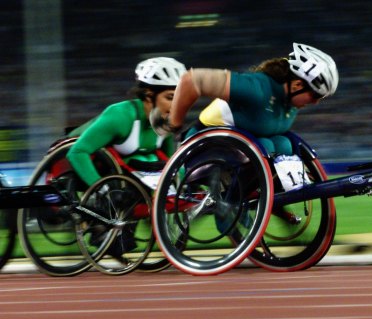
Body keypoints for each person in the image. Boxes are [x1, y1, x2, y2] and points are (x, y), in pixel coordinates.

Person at [150, 42, 338, 223]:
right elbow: (191, 80)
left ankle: (263, 202)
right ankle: (229, 204)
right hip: (203, 150)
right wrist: (173, 124)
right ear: (297, 85)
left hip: (242, 154)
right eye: (316, 95)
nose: (316, 102)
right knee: (266, 147)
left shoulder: (290, 104)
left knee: (283, 144)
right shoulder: (256, 88)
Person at [67, 57, 186, 187]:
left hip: (130, 174)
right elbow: (77, 152)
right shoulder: (120, 116)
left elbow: (170, 162)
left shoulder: (165, 121)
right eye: (170, 97)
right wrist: (101, 190)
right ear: (149, 95)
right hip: (78, 165)